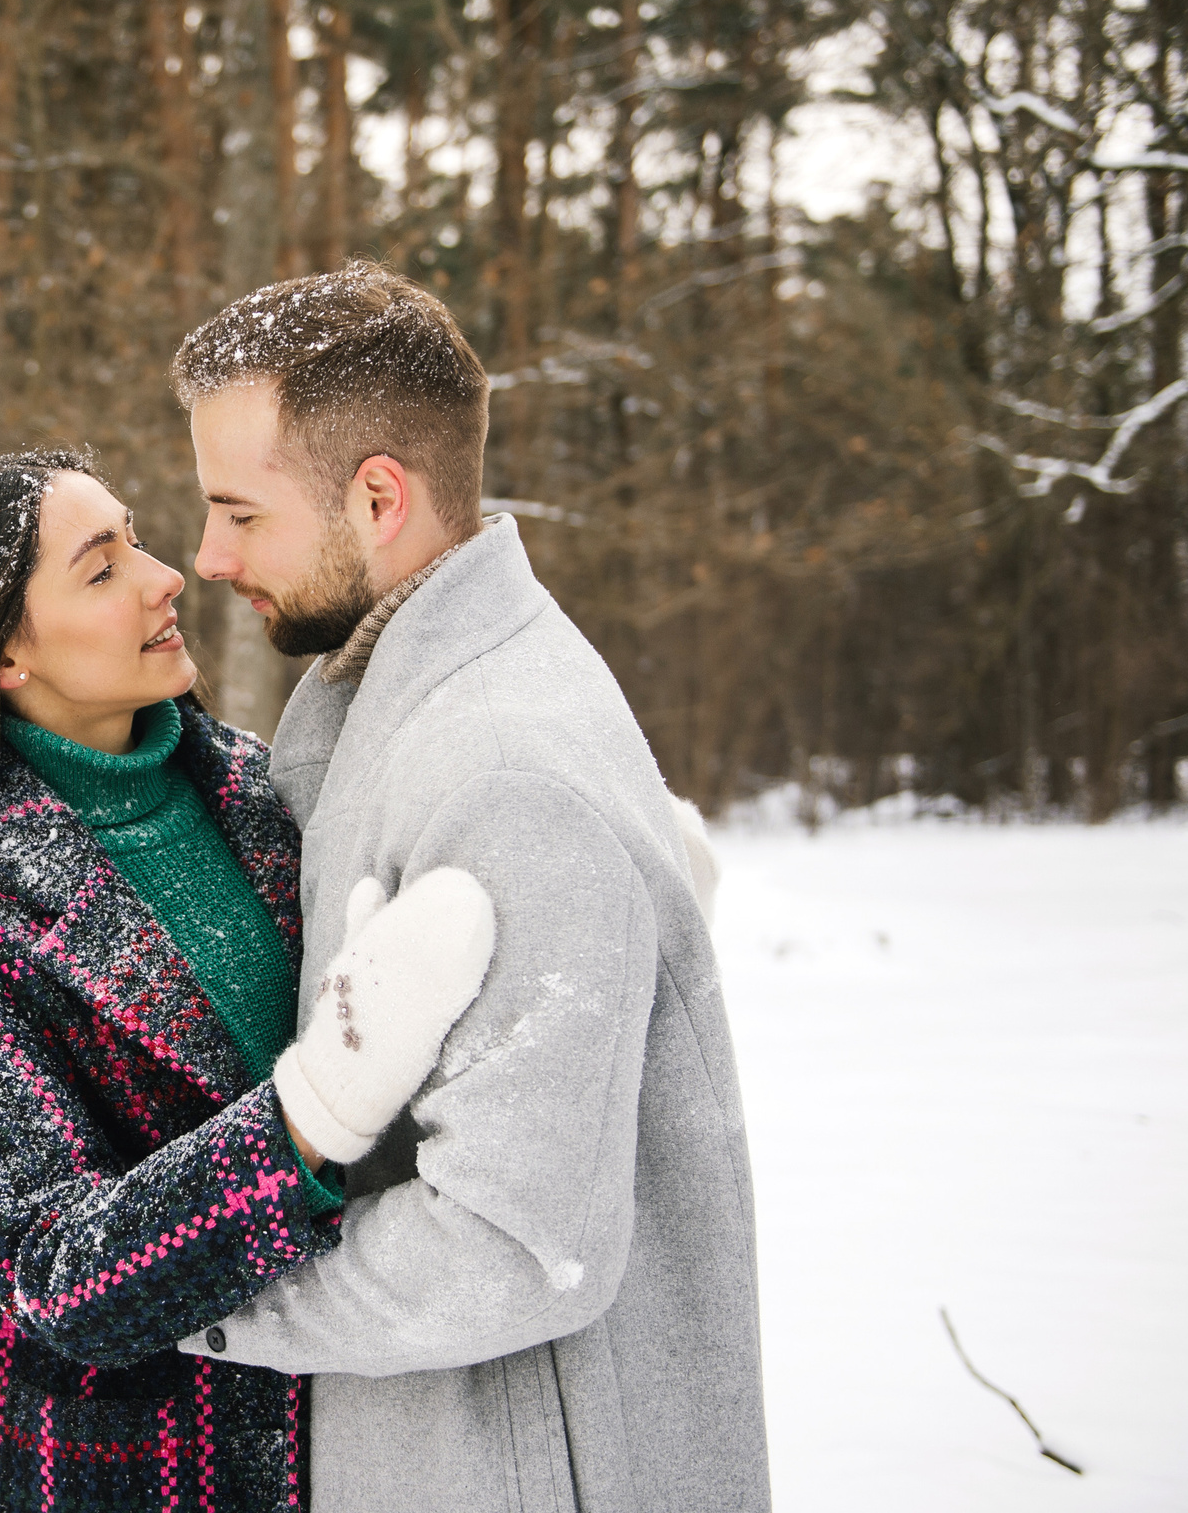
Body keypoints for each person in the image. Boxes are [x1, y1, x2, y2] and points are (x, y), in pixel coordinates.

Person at [172, 261, 766, 1512]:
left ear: (377, 496)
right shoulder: (405, 695)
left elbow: (512, 1245)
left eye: (239, 511)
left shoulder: (500, 764)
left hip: (529, 1472)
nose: (207, 556)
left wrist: (195, 1289)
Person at [0, 447, 498, 1512]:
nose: (164, 574)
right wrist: (314, 1113)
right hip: (128, 1468)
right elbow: (58, 1275)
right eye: (100, 568)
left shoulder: (272, 788)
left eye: (135, 538)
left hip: (370, 1434)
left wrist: (551, 905)